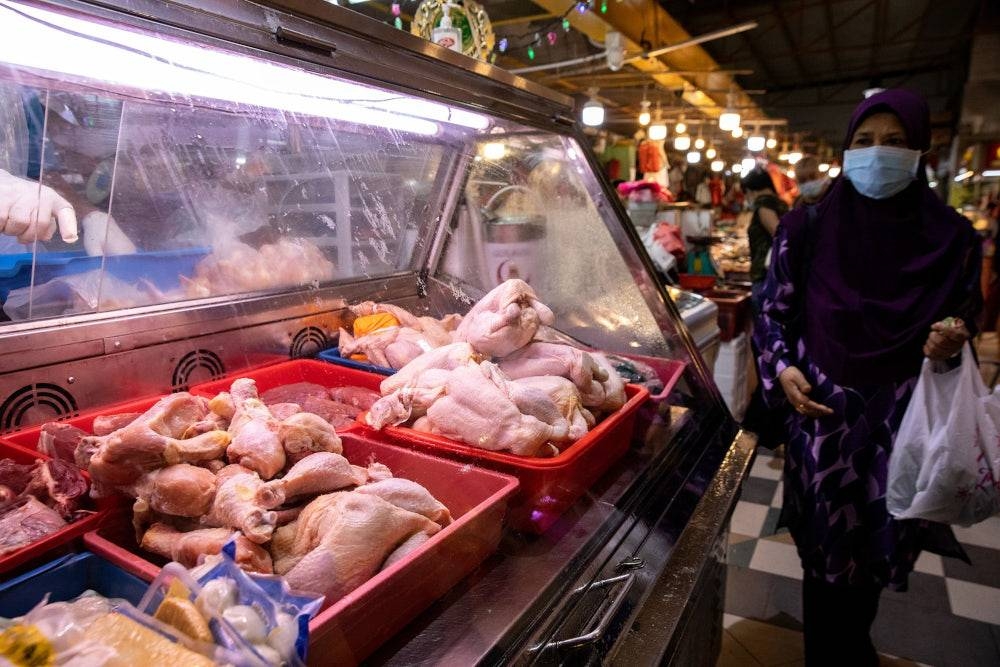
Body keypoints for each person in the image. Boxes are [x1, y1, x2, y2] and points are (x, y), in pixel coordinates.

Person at [753, 89, 981, 666]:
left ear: (920, 152)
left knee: (878, 554)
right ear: (846, 150)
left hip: (901, 430)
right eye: (864, 142)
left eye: (895, 142)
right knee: (823, 561)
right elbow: (771, 313)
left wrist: (952, 336)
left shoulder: (954, 240)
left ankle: (851, 650)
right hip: (824, 426)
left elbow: (964, 317)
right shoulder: (806, 228)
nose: (877, 154)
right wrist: (783, 369)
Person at [742, 165, 788, 312]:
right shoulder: (780, 204)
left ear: (750, 190)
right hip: (777, 274)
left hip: (766, 276)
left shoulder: (763, 206)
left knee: (765, 325)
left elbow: (779, 234)